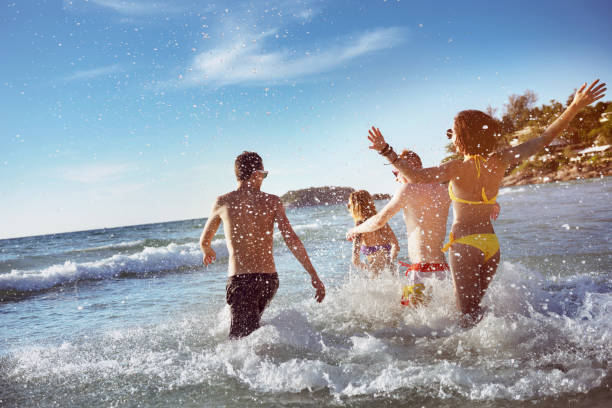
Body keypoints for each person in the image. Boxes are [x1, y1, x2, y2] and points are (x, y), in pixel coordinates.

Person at [366, 79, 605, 325]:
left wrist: (386, 151)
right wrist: (575, 106)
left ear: (462, 137)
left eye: (452, 132)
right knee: (475, 310)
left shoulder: (456, 167)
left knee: (466, 316)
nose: (450, 136)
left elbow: (416, 177)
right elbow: (544, 139)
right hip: (491, 246)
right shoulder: (501, 161)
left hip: (465, 245)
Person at [347, 150, 500, 307]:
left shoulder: (407, 189)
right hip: (444, 270)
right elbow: (471, 198)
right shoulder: (444, 190)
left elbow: (379, 221)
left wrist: (355, 230)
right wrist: (491, 204)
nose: (397, 178)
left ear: (404, 169)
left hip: (420, 272)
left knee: (410, 321)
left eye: (395, 173)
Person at [199, 151, 326, 339]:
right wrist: (313, 275)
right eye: (264, 175)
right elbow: (292, 239)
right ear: (256, 174)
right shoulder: (272, 201)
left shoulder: (223, 202)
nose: (263, 179)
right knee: (252, 334)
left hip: (242, 282)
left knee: (239, 343)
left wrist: (206, 251)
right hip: (269, 280)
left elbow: (204, 240)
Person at [347, 190, 399, 276]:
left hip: (375, 269)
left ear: (354, 207)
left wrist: (367, 268)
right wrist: (390, 259)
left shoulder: (360, 226)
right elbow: (395, 245)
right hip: (389, 266)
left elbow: (355, 260)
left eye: (349, 205)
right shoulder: (381, 222)